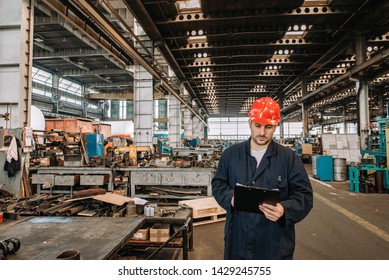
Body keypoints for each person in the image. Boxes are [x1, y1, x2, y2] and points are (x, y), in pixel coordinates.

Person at [212, 97, 313, 260]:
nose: (262, 132)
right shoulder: (231, 155)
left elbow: (304, 196)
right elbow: (218, 184)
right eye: (257, 125)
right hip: (238, 238)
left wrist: (284, 209)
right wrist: (230, 198)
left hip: (274, 242)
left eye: (268, 127)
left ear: (276, 126)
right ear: (250, 123)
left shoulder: (289, 158)